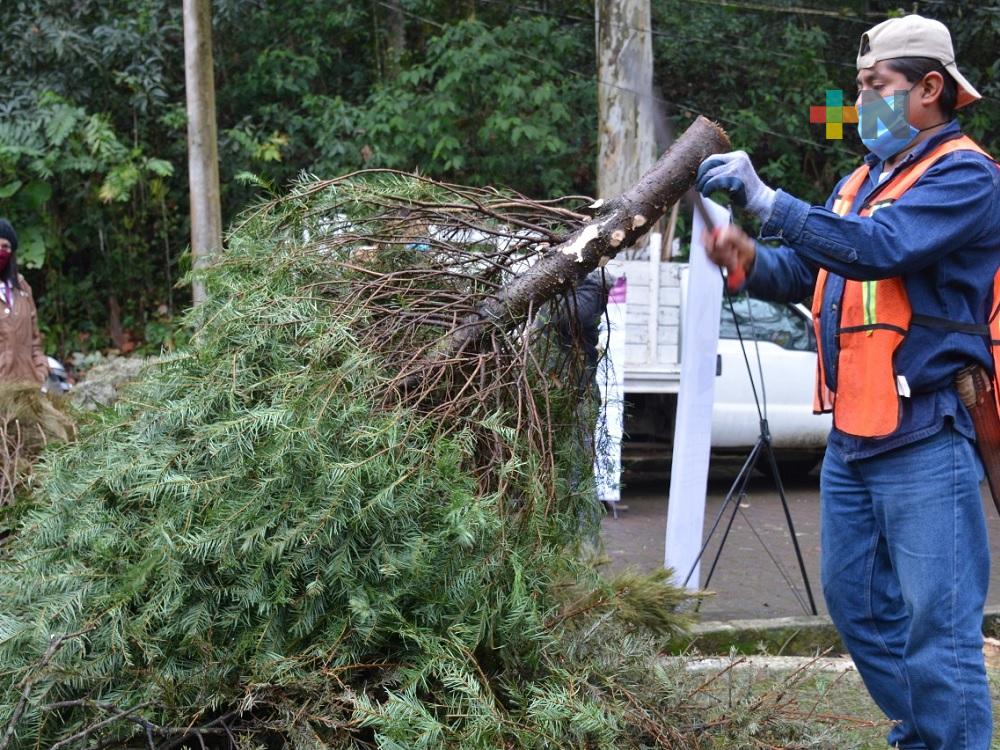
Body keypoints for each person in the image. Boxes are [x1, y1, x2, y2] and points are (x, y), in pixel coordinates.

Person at [695, 15, 999, 750]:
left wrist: (768, 204)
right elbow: (807, 271)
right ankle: (926, 733)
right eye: (860, 89)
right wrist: (745, 257)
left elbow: (883, 247)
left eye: (874, 88)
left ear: (930, 88)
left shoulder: (966, 174)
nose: (860, 104)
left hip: (928, 428)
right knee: (859, 607)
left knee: (939, 626)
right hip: (855, 435)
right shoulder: (858, 181)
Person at [0, 220, 48, 386]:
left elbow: (35, 342)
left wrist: (41, 371)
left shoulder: (23, 288)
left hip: (27, 389)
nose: (1, 251)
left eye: (5, 246)